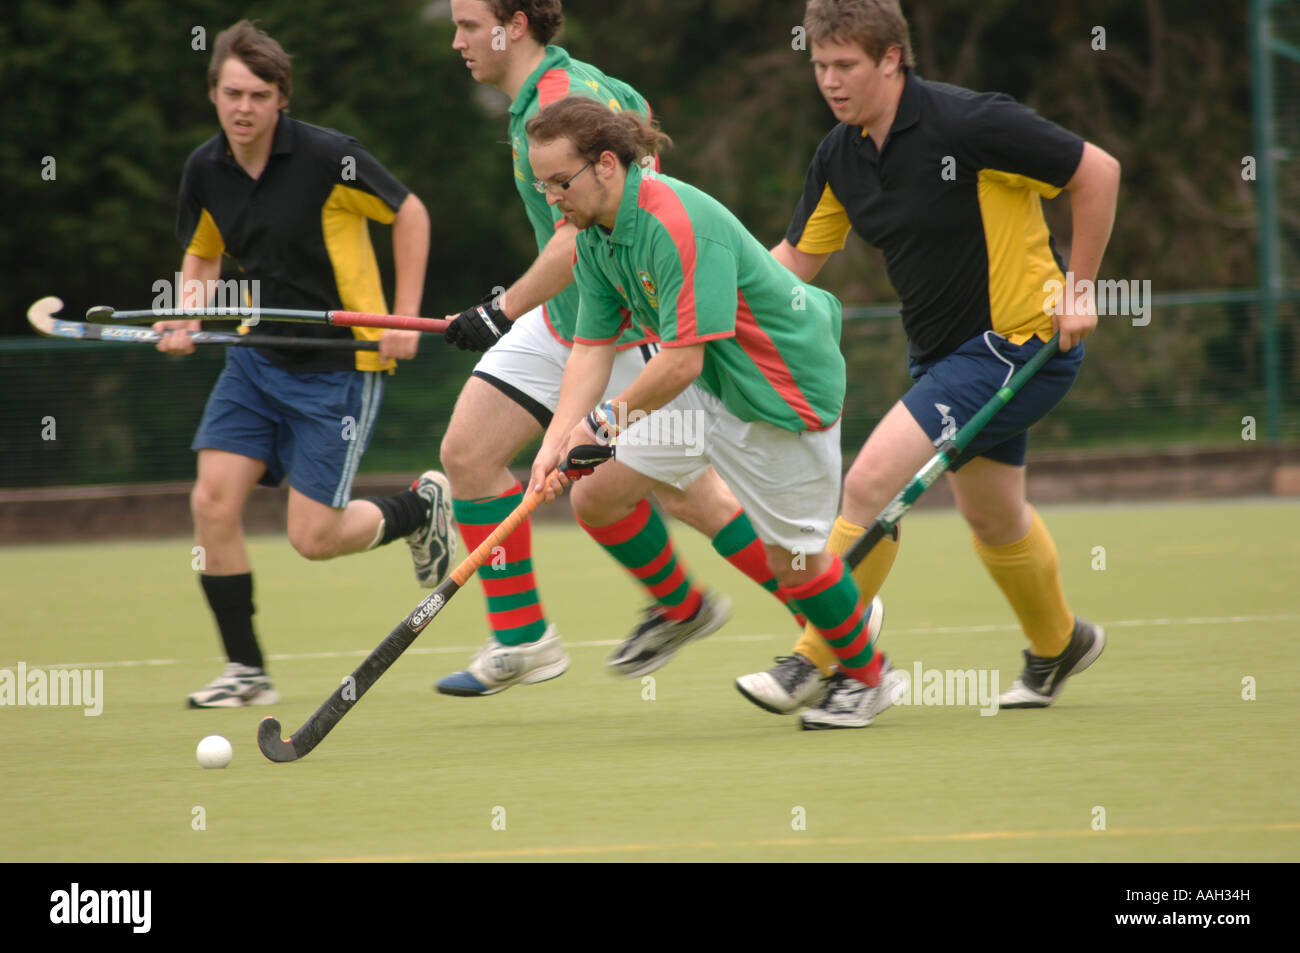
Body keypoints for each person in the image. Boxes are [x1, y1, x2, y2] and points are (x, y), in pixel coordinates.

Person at [735, 0, 1122, 726]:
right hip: (943, 358)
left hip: (1021, 344)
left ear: (891, 59)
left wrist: (1081, 288)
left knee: (871, 484)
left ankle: (825, 659)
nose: (830, 82)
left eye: (845, 66)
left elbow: (1097, 171)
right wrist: (708, 296)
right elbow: (794, 264)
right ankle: (1059, 644)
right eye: (819, 66)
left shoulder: (969, 123)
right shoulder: (841, 155)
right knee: (994, 515)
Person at [435, 0, 810, 696]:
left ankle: (821, 616)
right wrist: (512, 313)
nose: (457, 41)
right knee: (469, 451)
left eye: (465, 24)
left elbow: (587, 232)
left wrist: (498, 308)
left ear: (512, 25)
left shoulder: (566, 99)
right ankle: (526, 639)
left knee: (680, 495)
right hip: (568, 320)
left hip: (625, 325)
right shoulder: (549, 98)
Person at [525, 95, 899, 731]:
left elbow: (679, 364)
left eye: (561, 182)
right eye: (542, 186)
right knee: (600, 497)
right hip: (707, 389)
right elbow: (590, 349)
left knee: (797, 565)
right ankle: (714, 609)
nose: (552, 198)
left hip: (779, 391)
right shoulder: (592, 237)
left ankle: (868, 675)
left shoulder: (675, 223)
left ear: (608, 166)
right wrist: (554, 443)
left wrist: (602, 425)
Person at [153, 20, 454, 708]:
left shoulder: (328, 158)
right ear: (214, 93)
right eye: (232, 92)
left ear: (281, 98)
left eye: (259, 94)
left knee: (314, 538)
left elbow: (410, 214)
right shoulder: (205, 169)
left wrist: (404, 317)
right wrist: (188, 314)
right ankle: (247, 670)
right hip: (256, 360)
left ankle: (420, 507)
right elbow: (202, 254)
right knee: (211, 501)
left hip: (340, 367)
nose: (244, 107)